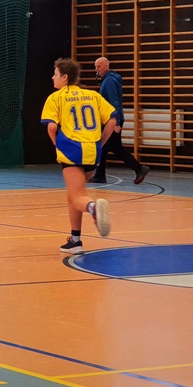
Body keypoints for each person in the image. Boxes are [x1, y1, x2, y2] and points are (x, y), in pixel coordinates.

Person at [41, 58, 117, 254]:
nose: (53, 78)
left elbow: (51, 127)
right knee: (74, 195)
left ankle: (93, 208)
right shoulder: (92, 95)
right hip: (92, 151)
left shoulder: (56, 97)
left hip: (72, 150)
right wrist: (100, 143)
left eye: (55, 74)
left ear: (65, 77)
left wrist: (57, 144)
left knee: (77, 197)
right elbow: (112, 120)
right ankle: (75, 240)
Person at [92, 57, 150, 185]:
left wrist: (116, 123)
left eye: (99, 66)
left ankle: (138, 168)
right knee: (111, 147)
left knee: (107, 146)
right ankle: (101, 175)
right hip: (111, 119)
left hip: (111, 120)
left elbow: (114, 102)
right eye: (96, 67)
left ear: (107, 66)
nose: (97, 69)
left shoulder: (109, 81)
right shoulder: (110, 79)